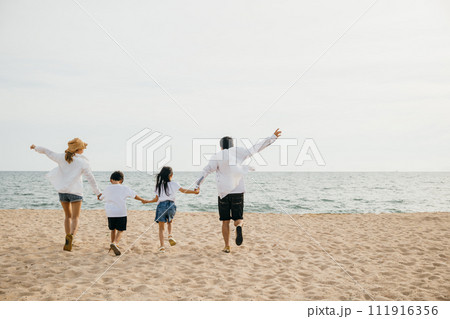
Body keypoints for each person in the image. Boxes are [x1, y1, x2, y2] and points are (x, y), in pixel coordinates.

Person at [195, 128, 282, 253]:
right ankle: (239, 227)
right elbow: (256, 148)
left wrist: (198, 185)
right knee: (238, 218)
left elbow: (206, 171)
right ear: (232, 145)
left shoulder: (217, 156)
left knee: (225, 221)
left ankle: (227, 246)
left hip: (223, 193)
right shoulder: (239, 152)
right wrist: (272, 137)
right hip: (238, 191)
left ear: (220, 147)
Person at [30, 138, 101, 251]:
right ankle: (71, 236)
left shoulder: (61, 157)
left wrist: (35, 148)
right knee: (75, 217)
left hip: (62, 191)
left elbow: (47, 151)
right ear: (79, 149)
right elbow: (91, 179)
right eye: (83, 148)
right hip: (76, 192)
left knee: (67, 216)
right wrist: (97, 192)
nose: (84, 149)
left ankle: (67, 236)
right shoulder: (83, 162)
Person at [143, 166, 199, 253]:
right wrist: (194, 192)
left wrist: (147, 201)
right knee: (170, 221)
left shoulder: (158, 186)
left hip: (161, 206)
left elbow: (156, 199)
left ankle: (162, 246)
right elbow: (184, 190)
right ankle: (170, 235)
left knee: (161, 228)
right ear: (171, 175)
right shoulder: (174, 184)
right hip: (171, 205)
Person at [98, 171, 148, 256]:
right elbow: (134, 195)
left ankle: (112, 244)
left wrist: (98, 196)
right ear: (121, 180)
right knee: (120, 230)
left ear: (111, 180)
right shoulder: (124, 188)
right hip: (121, 212)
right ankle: (115, 243)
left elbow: (100, 198)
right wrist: (142, 200)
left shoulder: (107, 188)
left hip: (110, 213)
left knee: (112, 229)